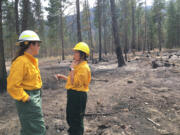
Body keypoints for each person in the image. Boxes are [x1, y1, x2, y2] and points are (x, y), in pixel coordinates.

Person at [7, 30, 46, 135]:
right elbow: (12, 86)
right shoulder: (21, 62)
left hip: (35, 98)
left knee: (29, 130)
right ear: (30, 44)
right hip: (28, 100)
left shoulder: (30, 61)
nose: (39, 46)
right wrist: (26, 97)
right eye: (38, 44)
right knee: (38, 131)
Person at [55, 42, 91, 135]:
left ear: (82, 54)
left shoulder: (84, 68)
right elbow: (73, 81)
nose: (74, 54)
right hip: (73, 94)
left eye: (76, 52)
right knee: (70, 117)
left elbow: (74, 82)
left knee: (76, 120)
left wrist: (71, 69)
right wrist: (62, 76)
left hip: (78, 96)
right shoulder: (78, 65)